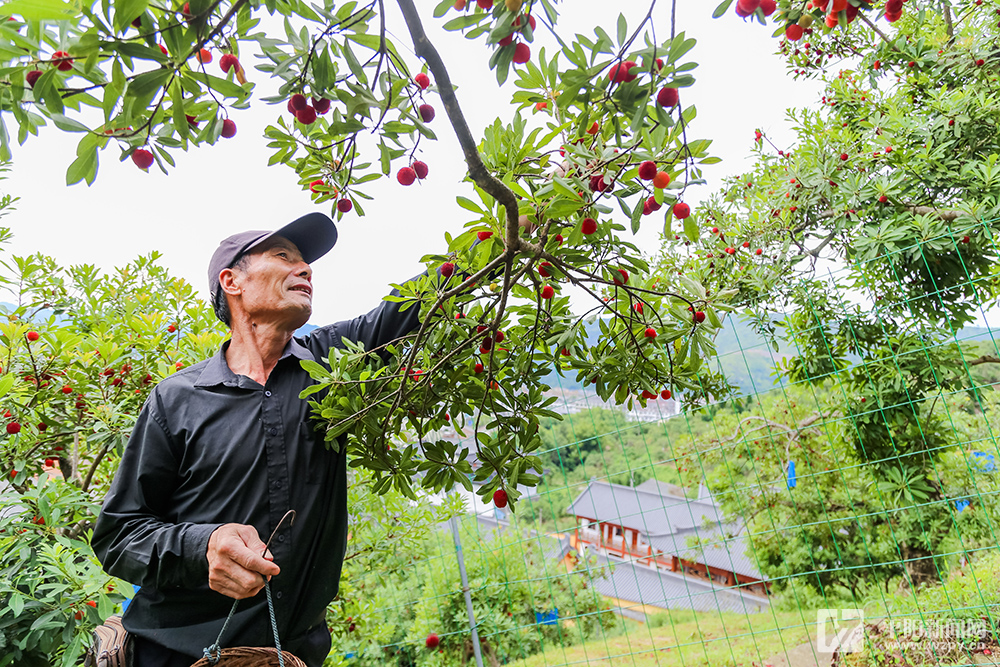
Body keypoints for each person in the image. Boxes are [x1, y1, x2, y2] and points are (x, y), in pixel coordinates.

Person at [91, 212, 433, 667]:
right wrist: (203, 546)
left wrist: (518, 222)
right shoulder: (176, 400)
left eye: (306, 262)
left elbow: (410, 304)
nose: (306, 269)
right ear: (232, 281)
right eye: (283, 256)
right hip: (174, 652)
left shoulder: (331, 364)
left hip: (292, 653)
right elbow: (118, 533)